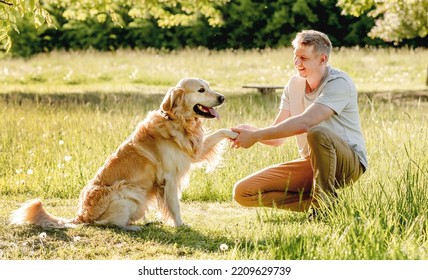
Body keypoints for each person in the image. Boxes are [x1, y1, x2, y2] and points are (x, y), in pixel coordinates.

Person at [230, 30, 368, 213]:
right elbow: (277, 138)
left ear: (322, 59)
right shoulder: (294, 85)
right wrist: (251, 131)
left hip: (348, 164)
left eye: (303, 58)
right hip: (312, 163)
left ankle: (322, 207)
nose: (297, 63)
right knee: (243, 192)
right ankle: (329, 207)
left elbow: (307, 122)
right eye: (295, 56)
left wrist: (256, 135)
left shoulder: (339, 83)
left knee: (317, 132)